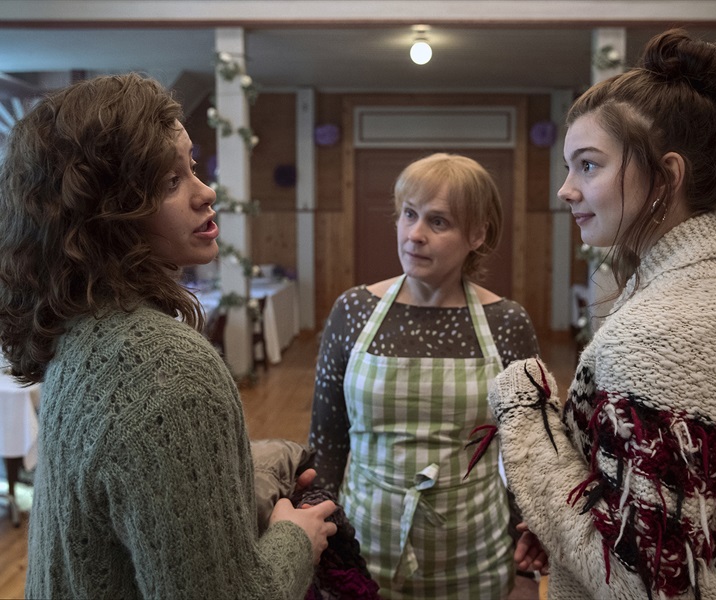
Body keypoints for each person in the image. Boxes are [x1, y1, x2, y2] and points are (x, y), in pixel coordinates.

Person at [0, 72, 337, 600]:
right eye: (169, 181)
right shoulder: (165, 367)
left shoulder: (83, 330)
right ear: (104, 214)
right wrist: (298, 536)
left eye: (192, 167)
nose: (207, 192)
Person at [488, 29, 716, 599]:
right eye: (569, 167)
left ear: (667, 177)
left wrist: (526, 416)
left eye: (588, 165)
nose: (565, 190)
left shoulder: (665, 331)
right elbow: (689, 511)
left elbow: (637, 579)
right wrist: (566, 526)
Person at [308, 152, 540, 598]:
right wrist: (326, 556)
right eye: (409, 214)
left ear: (477, 234)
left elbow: (525, 452)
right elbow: (328, 442)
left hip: (475, 556)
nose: (415, 234)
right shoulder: (353, 311)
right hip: (364, 551)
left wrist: (525, 569)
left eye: (438, 222)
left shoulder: (507, 323)